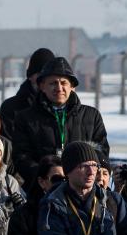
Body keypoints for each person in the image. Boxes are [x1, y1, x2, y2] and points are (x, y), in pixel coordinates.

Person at [12, 57, 109, 187]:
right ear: (42, 86)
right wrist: (48, 176)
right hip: (42, 189)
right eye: (53, 83)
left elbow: (101, 152)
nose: (59, 88)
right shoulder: (25, 118)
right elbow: (21, 157)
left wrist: (82, 174)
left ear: (72, 86)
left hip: (83, 189)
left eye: (64, 83)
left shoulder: (91, 116)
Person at [8, 154, 62, 235]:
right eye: (56, 179)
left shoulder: (74, 211)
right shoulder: (23, 215)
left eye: (66, 179)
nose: (62, 184)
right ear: (42, 182)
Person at [0, 48, 54, 139]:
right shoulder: (11, 108)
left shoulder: (66, 107)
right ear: (30, 77)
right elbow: (10, 144)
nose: (44, 80)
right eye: (40, 74)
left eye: (49, 76)